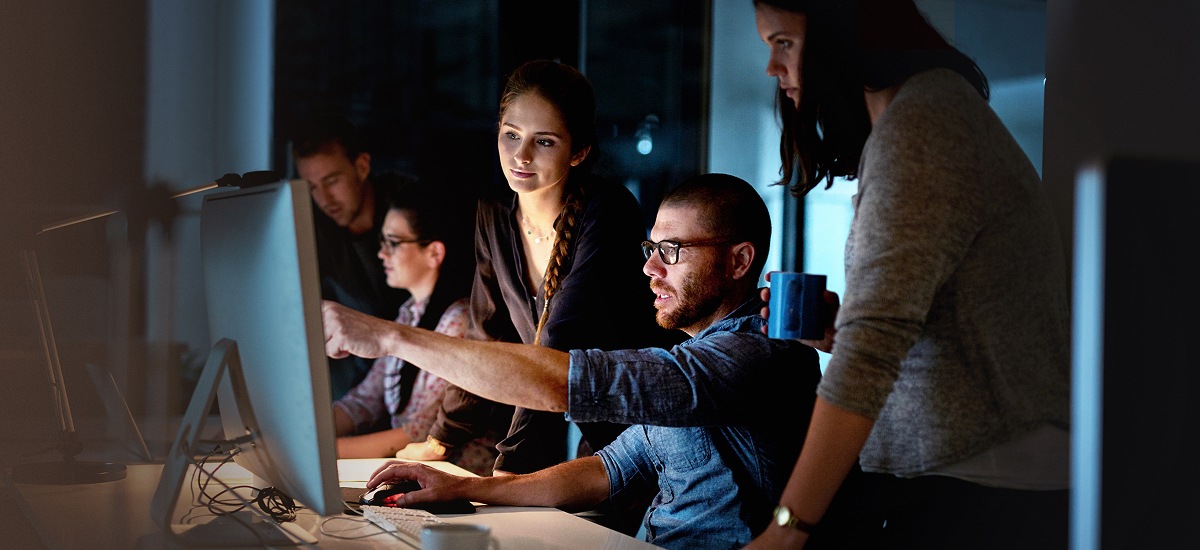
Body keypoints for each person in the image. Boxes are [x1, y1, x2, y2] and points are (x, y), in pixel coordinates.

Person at [325, 173, 832, 549]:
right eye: (651, 247)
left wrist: (391, 338)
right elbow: (606, 469)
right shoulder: (694, 355)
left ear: (740, 261)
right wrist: (468, 487)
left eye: (672, 251)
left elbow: (566, 384)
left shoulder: (759, 352)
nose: (650, 268)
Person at [747, 1, 1071, 549]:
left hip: (980, 487)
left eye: (784, 43)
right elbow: (929, 321)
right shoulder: (924, 115)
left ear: (838, 32)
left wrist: (786, 530)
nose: (772, 69)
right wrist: (842, 331)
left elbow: (872, 349)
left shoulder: (923, 123)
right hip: (971, 474)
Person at [394, 59, 682, 486]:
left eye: (543, 142)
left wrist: (509, 469)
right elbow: (487, 335)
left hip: (641, 427)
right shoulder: (494, 211)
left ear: (579, 151)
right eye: (511, 135)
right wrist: (443, 439)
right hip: (557, 415)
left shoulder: (608, 212)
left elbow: (554, 348)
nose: (520, 155)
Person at [330, 179, 505, 476]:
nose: (381, 254)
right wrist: (306, 428)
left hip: (461, 478)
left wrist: (322, 450)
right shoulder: (408, 313)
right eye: (382, 242)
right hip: (418, 469)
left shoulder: (459, 321)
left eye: (393, 243)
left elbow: (418, 432)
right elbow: (365, 402)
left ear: (434, 253)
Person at [291, 111, 410, 400]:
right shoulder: (313, 228)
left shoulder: (407, 208)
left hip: (419, 366)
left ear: (362, 166)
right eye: (311, 187)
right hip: (357, 384)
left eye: (332, 181)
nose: (324, 199)